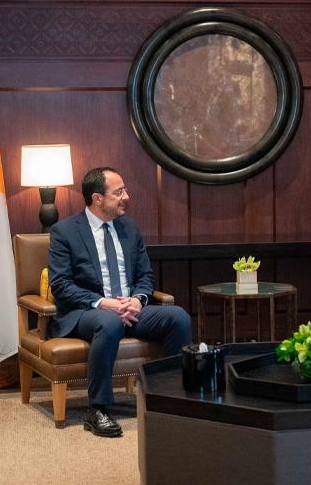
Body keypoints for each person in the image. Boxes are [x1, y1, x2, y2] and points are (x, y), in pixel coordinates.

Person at [49, 167, 191, 438]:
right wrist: (104, 303)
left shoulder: (129, 228)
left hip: (130, 308)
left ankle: (166, 398)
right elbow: (61, 285)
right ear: (97, 198)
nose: (127, 196)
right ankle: (97, 409)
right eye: (119, 192)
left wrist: (137, 300)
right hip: (88, 311)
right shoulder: (65, 231)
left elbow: (145, 276)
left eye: (125, 190)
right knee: (110, 322)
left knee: (179, 317)